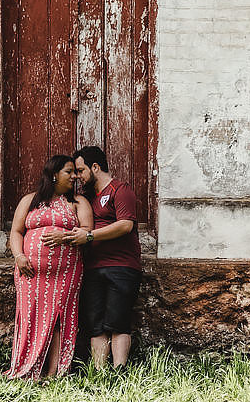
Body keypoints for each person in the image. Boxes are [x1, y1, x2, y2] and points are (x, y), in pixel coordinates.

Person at [43, 146, 142, 369]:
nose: (77, 177)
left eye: (80, 170)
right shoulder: (86, 197)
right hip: (92, 267)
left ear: (95, 167)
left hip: (122, 266)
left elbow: (126, 225)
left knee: (118, 322)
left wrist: (89, 236)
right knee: (96, 324)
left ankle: (119, 370)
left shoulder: (120, 190)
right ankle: (99, 371)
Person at [5, 155, 93, 380]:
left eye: (75, 172)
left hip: (65, 272)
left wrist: (64, 237)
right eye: (69, 171)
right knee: (31, 315)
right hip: (30, 272)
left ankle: (55, 372)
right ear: (54, 175)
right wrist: (19, 256)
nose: (74, 176)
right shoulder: (30, 200)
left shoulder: (78, 202)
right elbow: (16, 231)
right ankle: (28, 366)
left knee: (59, 319)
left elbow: (86, 231)